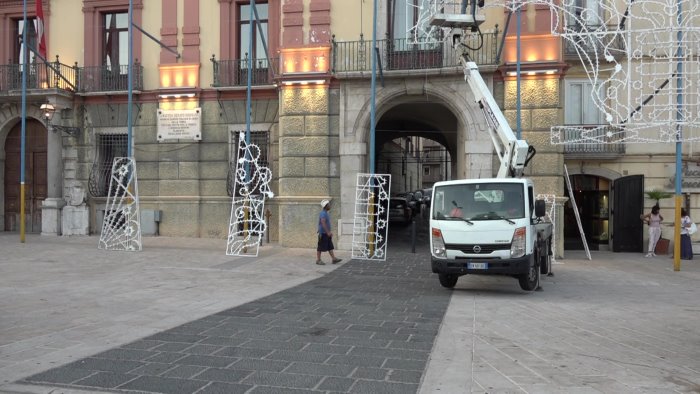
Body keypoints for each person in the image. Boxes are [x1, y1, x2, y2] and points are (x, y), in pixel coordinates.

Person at [316, 200, 342, 265]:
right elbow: (323, 222)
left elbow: (321, 222)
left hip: (326, 233)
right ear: (326, 206)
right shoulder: (323, 213)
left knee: (330, 246)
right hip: (323, 233)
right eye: (329, 204)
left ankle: (334, 259)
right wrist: (328, 232)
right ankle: (318, 260)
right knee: (320, 247)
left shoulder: (325, 213)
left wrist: (328, 232)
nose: (330, 206)